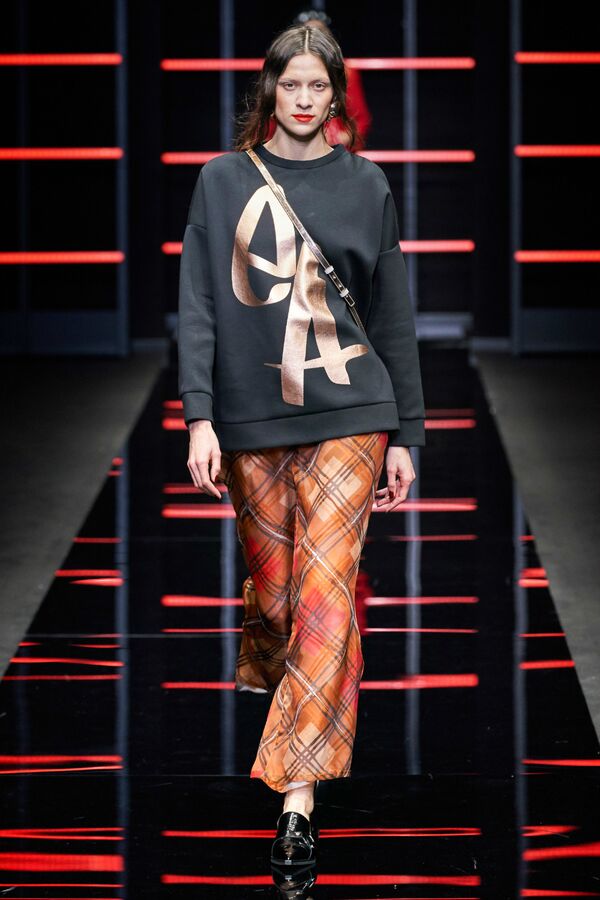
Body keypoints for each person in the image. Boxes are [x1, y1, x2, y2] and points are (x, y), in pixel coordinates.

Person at [177, 22, 425, 865]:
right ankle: (279, 668)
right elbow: (200, 303)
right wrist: (200, 415)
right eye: (293, 85)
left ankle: (297, 798)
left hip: (353, 414)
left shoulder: (366, 184)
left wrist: (407, 435)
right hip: (251, 418)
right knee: (283, 598)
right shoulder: (221, 182)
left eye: (321, 86)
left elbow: (393, 316)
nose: (307, 99)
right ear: (270, 90)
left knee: (324, 597)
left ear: (337, 94)